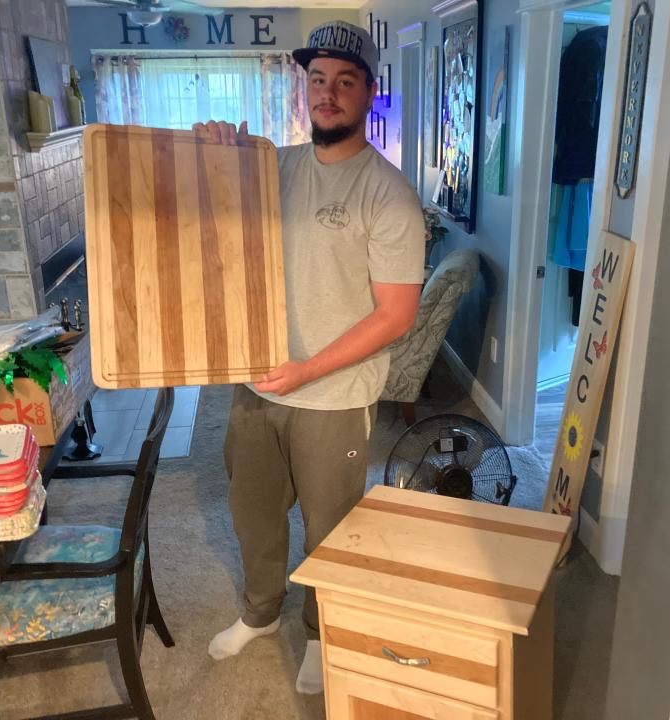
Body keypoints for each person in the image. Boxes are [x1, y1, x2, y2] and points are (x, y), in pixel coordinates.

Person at [196, 20, 426, 695]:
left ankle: (325, 635)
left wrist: (305, 370)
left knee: (331, 530)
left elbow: (396, 314)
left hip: (332, 396)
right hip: (257, 385)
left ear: (369, 94)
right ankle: (261, 615)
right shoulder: (278, 168)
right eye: (317, 80)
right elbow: (213, 213)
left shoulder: (388, 195)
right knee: (254, 515)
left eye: (344, 82)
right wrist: (214, 150)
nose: (327, 93)